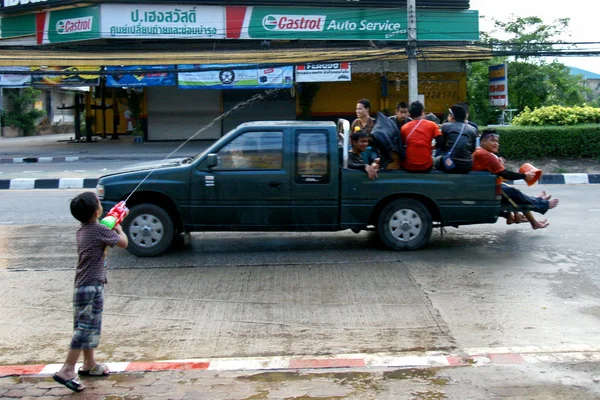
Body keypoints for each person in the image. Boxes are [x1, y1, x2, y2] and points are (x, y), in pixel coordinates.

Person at [53, 192, 128, 392]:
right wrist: (119, 227)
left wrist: (109, 225)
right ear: (97, 211)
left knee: (89, 325)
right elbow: (123, 243)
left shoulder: (83, 230)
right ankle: (67, 369)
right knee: (85, 328)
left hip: (82, 285)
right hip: (92, 286)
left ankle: (89, 364)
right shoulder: (98, 230)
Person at [472, 129, 559, 230]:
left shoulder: (482, 153)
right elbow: (505, 174)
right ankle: (542, 204)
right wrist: (524, 176)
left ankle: (536, 201)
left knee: (513, 192)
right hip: (487, 189)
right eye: (492, 140)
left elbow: (500, 173)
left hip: (485, 186)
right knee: (513, 193)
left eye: (497, 141)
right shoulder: (483, 154)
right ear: (482, 141)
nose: (496, 144)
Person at [401, 101, 444, 172]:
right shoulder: (432, 125)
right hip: (426, 166)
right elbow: (441, 142)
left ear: (410, 114)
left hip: (409, 166)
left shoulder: (404, 128)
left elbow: (402, 145)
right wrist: (432, 147)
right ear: (422, 111)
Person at [434, 104, 478, 174]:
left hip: (449, 163)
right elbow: (472, 149)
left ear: (452, 116)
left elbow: (442, 145)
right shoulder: (473, 129)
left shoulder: (446, 126)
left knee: (434, 160)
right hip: (466, 165)